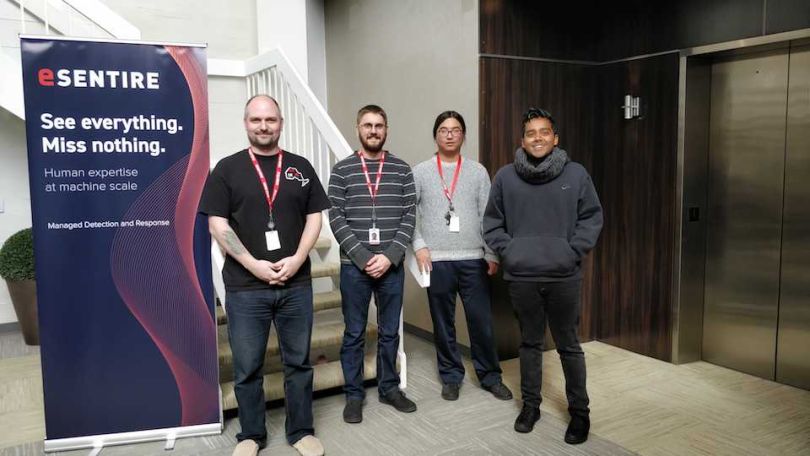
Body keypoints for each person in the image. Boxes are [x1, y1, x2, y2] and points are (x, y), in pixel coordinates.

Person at [200, 95, 329, 456]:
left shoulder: (300, 167)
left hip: (296, 283)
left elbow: (315, 217)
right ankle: (251, 435)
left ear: (280, 123)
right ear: (246, 123)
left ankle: (301, 430)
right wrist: (253, 264)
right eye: (256, 120)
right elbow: (218, 224)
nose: (263, 126)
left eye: (270, 119)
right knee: (247, 367)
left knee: (298, 363)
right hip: (245, 287)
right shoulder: (227, 169)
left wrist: (298, 258)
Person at [483, 107, 603, 444]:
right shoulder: (506, 177)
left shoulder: (576, 174)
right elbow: (492, 223)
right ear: (522, 141)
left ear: (555, 138)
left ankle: (580, 413)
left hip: (564, 276)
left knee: (569, 345)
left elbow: (591, 217)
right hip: (522, 276)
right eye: (531, 133)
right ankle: (530, 406)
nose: (538, 138)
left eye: (544, 132)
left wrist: (571, 251)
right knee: (530, 344)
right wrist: (511, 252)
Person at [411, 110, 513, 402]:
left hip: (473, 259)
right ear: (436, 135)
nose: (450, 135)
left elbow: (488, 214)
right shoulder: (420, 172)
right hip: (436, 260)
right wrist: (419, 245)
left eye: (455, 130)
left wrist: (491, 253)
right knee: (443, 323)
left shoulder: (477, 171)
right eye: (444, 130)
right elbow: (410, 213)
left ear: (463, 135)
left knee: (481, 321)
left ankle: (490, 377)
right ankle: (451, 377)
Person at [328, 104, 417, 423]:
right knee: (354, 332)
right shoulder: (342, 170)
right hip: (354, 267)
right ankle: (354, 395)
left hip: (391, 266)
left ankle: (389, 388)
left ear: (386, 130)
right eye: (367, 125)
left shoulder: (402, 170)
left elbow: (409, 216)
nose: (373, 131)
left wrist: (389, 256)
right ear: (358, 129)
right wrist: (365, 258)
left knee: (390, 331)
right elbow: (335, 217)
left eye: (379, 125)